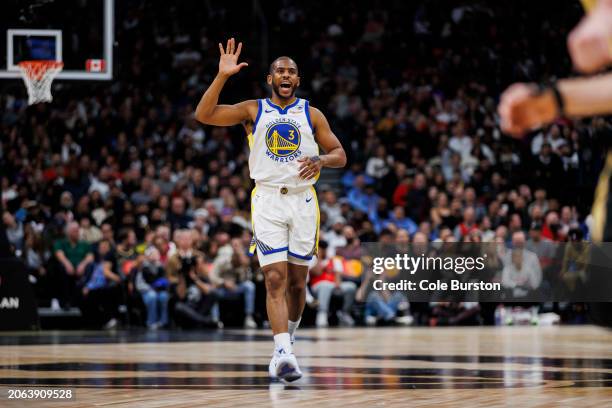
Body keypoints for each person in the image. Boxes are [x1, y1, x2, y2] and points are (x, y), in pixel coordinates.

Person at [195, 38, 346, 382]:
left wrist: (321, 159)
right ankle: (281, 353)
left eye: (291, 71)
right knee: (274, 277)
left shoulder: (311, 113)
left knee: (297, 283)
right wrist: (221, 77)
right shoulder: (253, 109)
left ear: (298, 80)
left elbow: (340, 153)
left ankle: (288, 340)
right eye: (280, 70)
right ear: (270, 79)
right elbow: (203, 115)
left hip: (303, 200)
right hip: (267, 200)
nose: (286, 74)